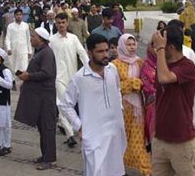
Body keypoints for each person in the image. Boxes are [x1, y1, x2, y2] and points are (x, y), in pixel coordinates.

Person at [59, 34, 127, 176]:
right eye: (100, 51)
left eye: (106, 50)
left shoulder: (112, 70)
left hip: (115, 133)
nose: (105, 55)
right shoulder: (80, 77)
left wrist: (119, 109)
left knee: (116, 171)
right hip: (93, 136)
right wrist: (79, 125)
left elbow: (118, 90)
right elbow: (65, 104)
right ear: (90, 53)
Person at [150, 25, 195, 176]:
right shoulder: (163, 65)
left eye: (156, 45)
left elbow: (165, 78)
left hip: (182, 141)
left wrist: (159, 50)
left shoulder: (187, 66)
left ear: (169, 47)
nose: (153, 49)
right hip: (160, 139)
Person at [14, 27, 57, 171]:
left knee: (47, 128)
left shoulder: (47, 53)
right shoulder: (39, 52)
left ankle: (49, 159)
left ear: (41, 39)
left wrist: (29, 77)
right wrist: (26, 78)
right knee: (42, 128)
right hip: (38, 96)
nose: (31, 38)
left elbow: (46, 72)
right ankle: (45, 155)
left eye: (34, 36)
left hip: (45, 96)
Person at [111, 34, 151, 175]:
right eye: (128, 44)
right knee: (121, 138)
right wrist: (130, 83)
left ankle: (145, 169)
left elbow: (146, 82)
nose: (132, 47)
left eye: (134, 44)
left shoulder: (140, 63)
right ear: (121, 46)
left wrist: (140, 84)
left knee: (138, 138)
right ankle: (118, 167)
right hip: (121, 106)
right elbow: (112, 87)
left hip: (138, 107)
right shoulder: (114, 65)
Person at [49, 12, 89, 148]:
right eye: (58, 23)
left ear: (67, 23)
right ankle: (70, 133)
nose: (61, 25)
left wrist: (89, 69)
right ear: (55, 24)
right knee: (61, 104)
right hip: (58, 78)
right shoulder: (51, 40)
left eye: (63, 22)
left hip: (73, 77)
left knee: (71, 105)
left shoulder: (73, 38)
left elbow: (82, 53)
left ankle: (74, 129)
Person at [140, 41, 158, 152]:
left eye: (158, 47)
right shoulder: (146, 65)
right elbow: (146, 85)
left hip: (166, 104)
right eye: (153, 46)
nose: (155, 49)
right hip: (152, 103)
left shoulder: (167, 63)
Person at [4, 8, 32, 76]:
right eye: (17, 15)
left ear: (22, 15)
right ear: (14, 15)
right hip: (14, 51)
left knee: (24, 67)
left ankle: (24, 83)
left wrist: (30, 51)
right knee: (14, 68)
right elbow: (7, 38)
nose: (19, 16)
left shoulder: (26, 25)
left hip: (24, 50)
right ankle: (16, 83)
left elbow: (28, 39)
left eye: (20, 14)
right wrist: (8, 48)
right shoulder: (10, 26)